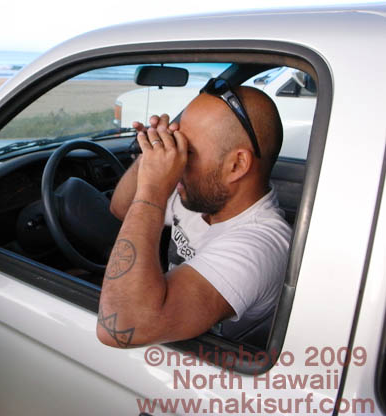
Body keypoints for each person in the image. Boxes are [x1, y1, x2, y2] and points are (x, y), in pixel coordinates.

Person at [96, 79, 292, 348]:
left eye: (186, 151)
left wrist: (152, 189)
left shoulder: (260, 246)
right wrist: (152, 151)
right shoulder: (203, 194)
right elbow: (121, 208)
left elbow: (119, 328)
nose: (178, 161)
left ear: (236, 165)